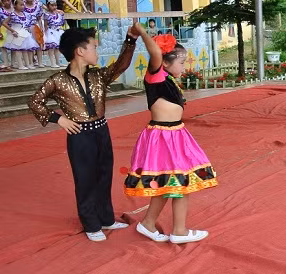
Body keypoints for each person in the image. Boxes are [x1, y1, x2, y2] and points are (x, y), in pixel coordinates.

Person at [28, 26, 137, 241]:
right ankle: (90, 223)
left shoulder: (98, 76)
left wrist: (130, 40)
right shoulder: (57, 80)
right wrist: (58, 118)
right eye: (94, 47)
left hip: (102, 131)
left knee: (104, 176)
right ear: (80, 51)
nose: (97, 51)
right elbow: (35, 102)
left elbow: (122, 65)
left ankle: (106, 218)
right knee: (85, 179)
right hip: (80, 136)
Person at [123, 33, 218, 244]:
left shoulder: (167, 79)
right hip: (163, 137)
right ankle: (179, 231)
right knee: (180, 182)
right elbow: (155, 51)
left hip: (175, 135)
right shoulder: (155, 75)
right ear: (164, 62)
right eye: (181, 62)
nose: (184, 67)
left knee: (168, 183)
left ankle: (148, 223)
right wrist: (139, 29)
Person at [3, 0, 36, 70]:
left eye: (23, 5)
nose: (22, 6)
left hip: (24, 32)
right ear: (15, 6)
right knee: (18, 49)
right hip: (16, 32)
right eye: (20, 5)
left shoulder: (24, 14)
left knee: (25, 49)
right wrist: (12, 30)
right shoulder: (12, 14)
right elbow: (4, 23)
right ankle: (20, 65)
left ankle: (28, 64)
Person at [23, 0, 45, 67]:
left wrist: (41, 28)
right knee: (29, 45)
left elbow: (39, 18)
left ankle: (40, 62)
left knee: (39, 44)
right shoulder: (22, 6)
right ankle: (30, 62)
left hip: (35, 26)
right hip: (26, 27)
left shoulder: (37, 6)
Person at [42, 0, 66, 68]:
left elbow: (62, 23)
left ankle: (58, 62)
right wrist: (45, 34)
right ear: (48, 6)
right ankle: (52, 62)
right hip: (50, 32)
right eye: (52, 5)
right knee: (51, 48)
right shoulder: (47, 15)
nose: (54, 7)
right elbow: (45, 25)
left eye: (55, 5)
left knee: (58, 48)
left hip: (58, 32)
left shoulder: (59, 14)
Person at [0, 0, 13, 71]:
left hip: (13, 29)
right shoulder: (1, 10)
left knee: (14, 47)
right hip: (3, 29)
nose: (7, 2)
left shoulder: (14, 9)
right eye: (4, 1)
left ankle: (13, 63)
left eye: (8, 0)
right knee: (3, 47)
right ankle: (6, 63)